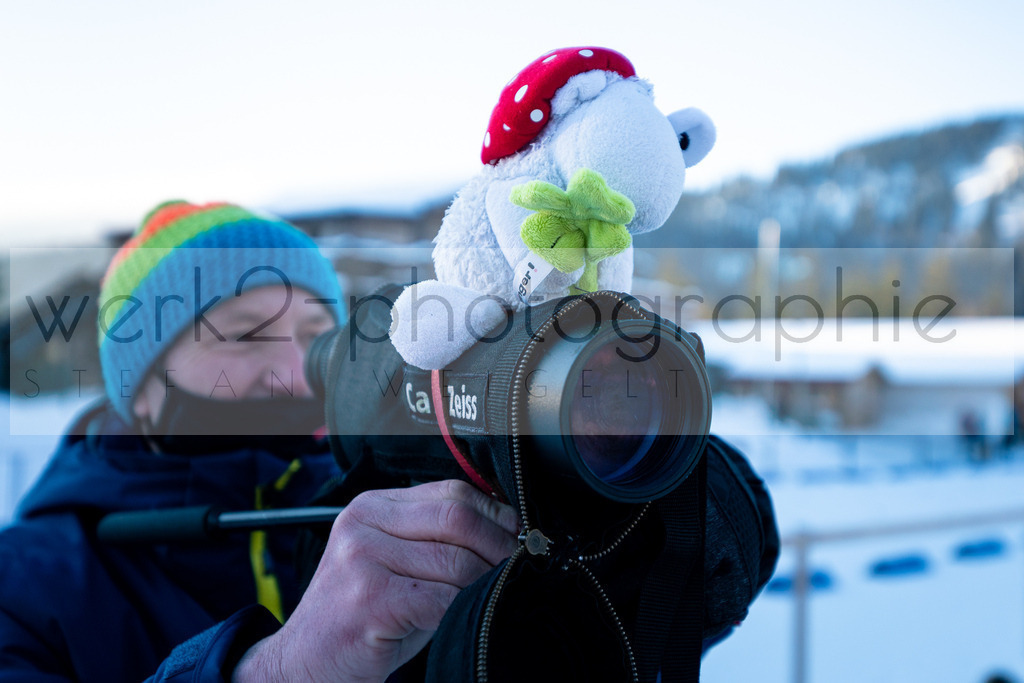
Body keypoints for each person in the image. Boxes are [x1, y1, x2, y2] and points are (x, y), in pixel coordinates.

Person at [0, 201, 518, 682]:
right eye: (246, 336)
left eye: (316, 340)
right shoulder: (23, 586)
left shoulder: (393, 502)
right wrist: (277, 668)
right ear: (141, 389)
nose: (294, 374)